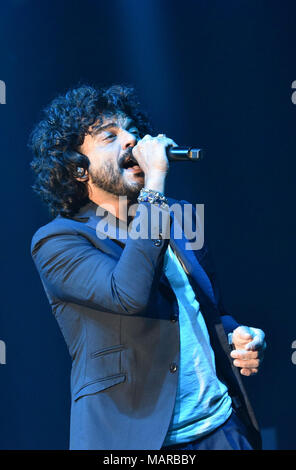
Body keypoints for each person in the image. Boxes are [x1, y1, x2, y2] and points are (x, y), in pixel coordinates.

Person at [30, 84, 266, 450]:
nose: (131, 142)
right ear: (78, 170)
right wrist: (154, 184)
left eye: (133, 133)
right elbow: (129, 295)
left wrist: (239, 335)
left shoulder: (177, 215)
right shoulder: (58, 240)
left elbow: (206, 311)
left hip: (223, 429)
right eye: (110, 137)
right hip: (139, 441)